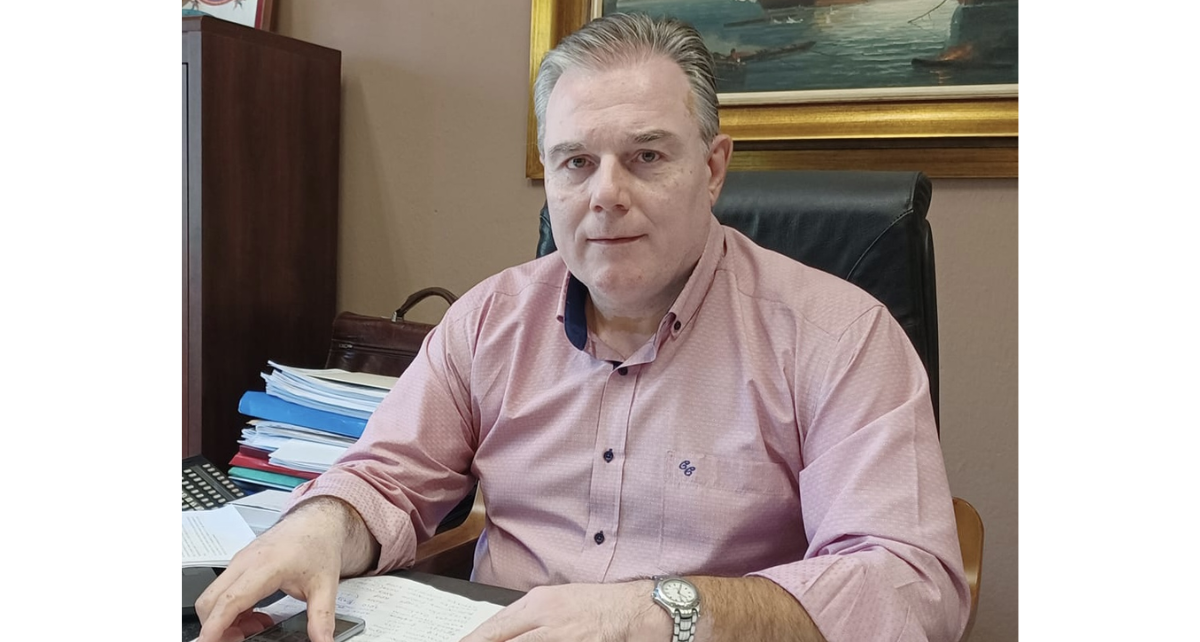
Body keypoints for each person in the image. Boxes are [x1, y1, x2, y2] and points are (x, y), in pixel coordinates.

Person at [197, 12, 969, 642]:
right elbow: (384, 478)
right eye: (574, 163)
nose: (606, 194)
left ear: (712, 169)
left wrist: (662, 613)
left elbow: (910, 582)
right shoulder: (490, 320)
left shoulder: (838, 337)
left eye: (646, 156)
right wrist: (320, 526)